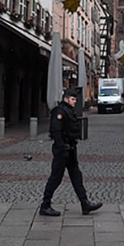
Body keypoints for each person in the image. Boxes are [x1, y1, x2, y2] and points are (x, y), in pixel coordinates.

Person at [40, 89, 102, 217]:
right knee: (56, 178)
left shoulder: (69, 111)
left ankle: (85, 203)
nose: (75, 102)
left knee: (76, 176)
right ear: (66, 99)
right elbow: (56, 132)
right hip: (62, 150)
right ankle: (45, 205)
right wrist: (62, 148)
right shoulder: (59, 111)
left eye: (75, 99)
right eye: (73, 99)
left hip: (71, 149)